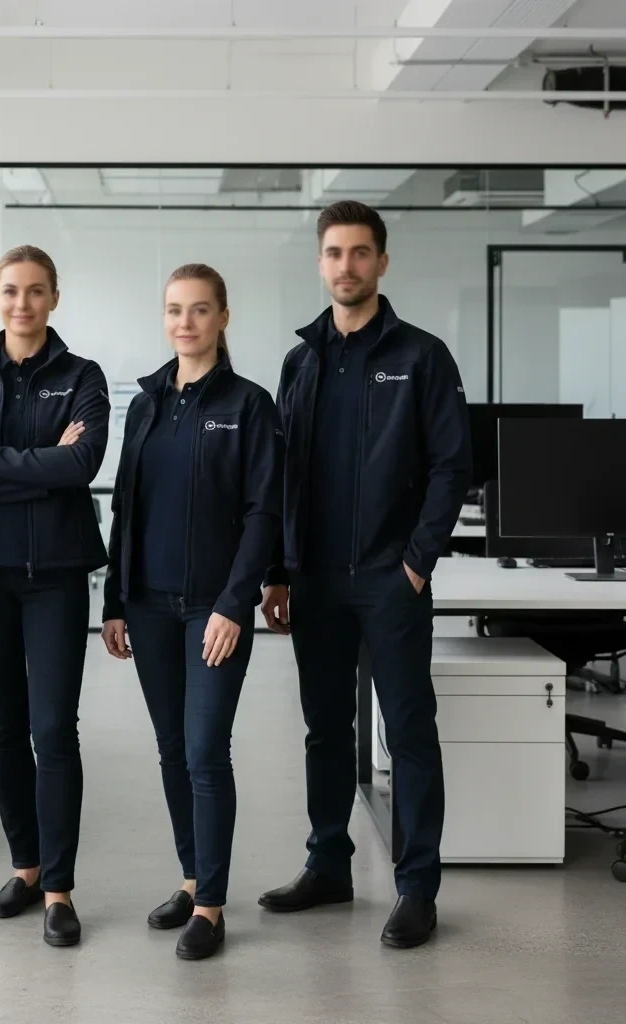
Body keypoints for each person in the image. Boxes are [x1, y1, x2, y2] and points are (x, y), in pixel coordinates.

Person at [258, 201, 471, 949]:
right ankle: (329, 866)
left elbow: (453, 467)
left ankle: (417, 888)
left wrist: (417, 562)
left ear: (382, 263)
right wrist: (279, 571)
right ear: (320, 264)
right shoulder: (301, 360)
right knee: (324, 731)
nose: (345, 266)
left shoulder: (421, 357)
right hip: (314, 580)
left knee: (409, 732)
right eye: (334, 253)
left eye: (359, 253)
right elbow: (286, 476)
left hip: (390, 579)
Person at [101, 264, 283, 961]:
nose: (185, 322)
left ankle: (211, 906)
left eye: (199, 310)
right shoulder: (145, 406)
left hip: (213, 609)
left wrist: (236, 603)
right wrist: (115, 599)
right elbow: (124, 508)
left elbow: (263, 513)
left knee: (206, 750)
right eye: (175, 309)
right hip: (146, 606)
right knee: (172, 748)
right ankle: (190, 877)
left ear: (223, 317)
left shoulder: (248, 404)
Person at [0, 245, 109, 948]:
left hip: (57, 575)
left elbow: (83, 464)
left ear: (54, 298)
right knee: (3, 729)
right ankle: (26, 868)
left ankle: (61, 890)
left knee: (52, 730)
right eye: (11, 291)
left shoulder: (82, 376)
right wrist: (41, 468)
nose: (22, 303)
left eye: (36, 292)